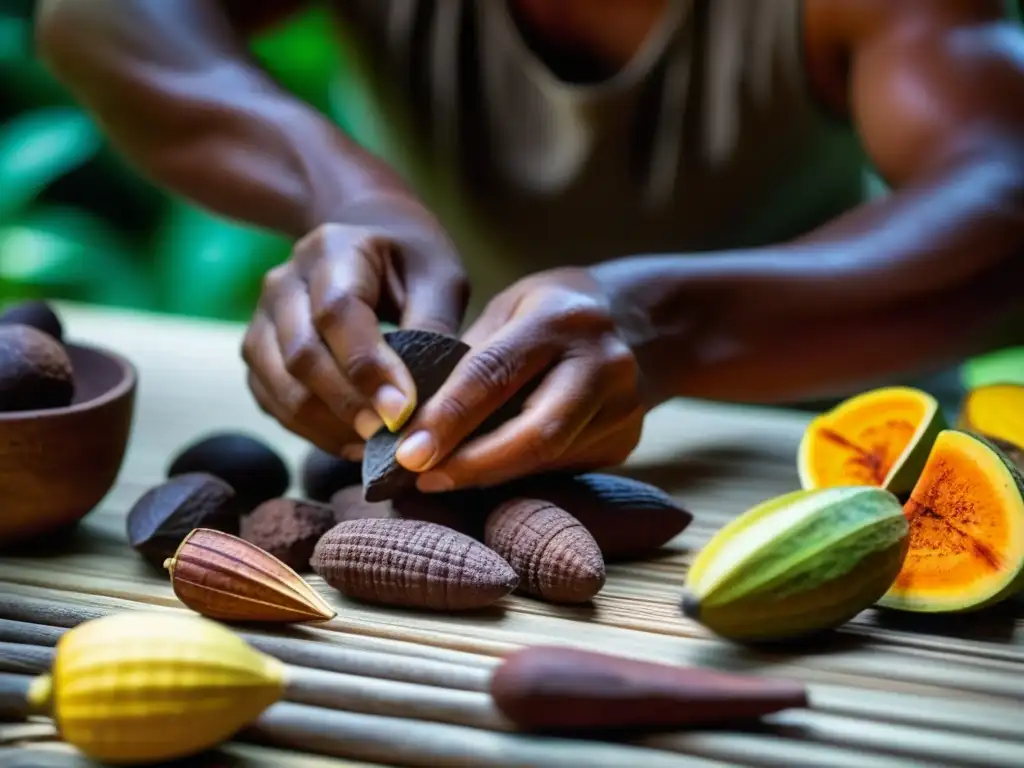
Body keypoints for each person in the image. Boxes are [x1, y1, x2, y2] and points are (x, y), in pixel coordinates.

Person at [36, 0, 1024, 493]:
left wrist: (671, 323)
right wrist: (346, 195)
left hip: (835, 458)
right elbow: (96, 16)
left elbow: (1003, 192)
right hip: (482, 440)